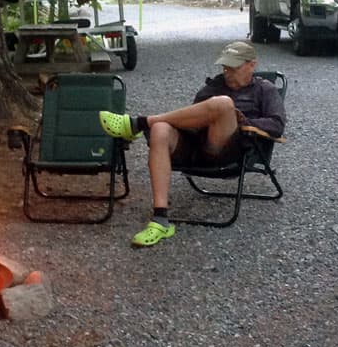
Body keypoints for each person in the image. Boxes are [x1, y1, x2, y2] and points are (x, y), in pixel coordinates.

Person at [99, 41, 286, 247]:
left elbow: (277, 124)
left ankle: (140, 122)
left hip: (231, 151)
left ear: (252, 65)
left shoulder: (264, 89)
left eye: (233, 68)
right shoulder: (215, 85)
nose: (227, 73)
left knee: (223, 104)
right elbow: (191, 117)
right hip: (197, 147)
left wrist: (243, 122)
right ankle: (160, 218)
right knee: (161, 129)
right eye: (225, 68)